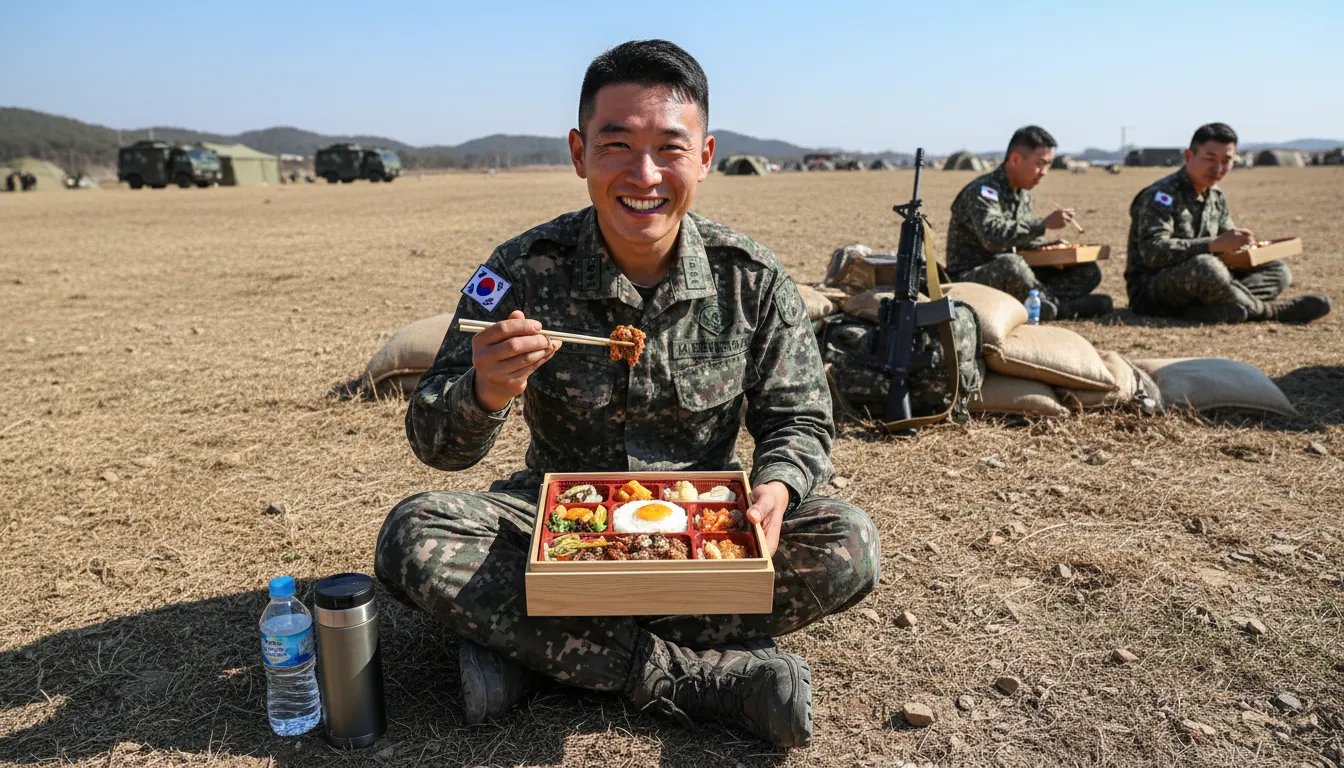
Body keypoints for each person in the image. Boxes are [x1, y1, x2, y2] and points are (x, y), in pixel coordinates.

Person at [373, 40, 879, 749]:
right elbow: (435, 446)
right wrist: (485, 391)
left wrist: (779, 491)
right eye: (617, 145)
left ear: (704, 157)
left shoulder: (752, 279)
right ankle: (690, 678)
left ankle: (545, 654)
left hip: (704, 531)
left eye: (669, 148)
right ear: (581, 153)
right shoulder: (519, 272)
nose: (644, 175)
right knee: (413, 537)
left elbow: (798, 420)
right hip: (555, 525)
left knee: (847, 541)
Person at [1125, 122, 1331, 323]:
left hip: (1205, 281)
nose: (1218, 168)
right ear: (1189, 156)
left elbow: (1228, 243)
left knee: (1277, 270)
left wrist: (1246, 248)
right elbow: (1152, 252)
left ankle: (1207, 311)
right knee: (1206, 266)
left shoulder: (1215, 196)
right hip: (1152, 291)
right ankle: (1269, 311)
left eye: (1226, 160)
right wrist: (1211, 245)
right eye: (1210, 159)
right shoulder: (1161, 196)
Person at [944, 126, 1114, 321]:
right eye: (1040, 164)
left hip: (1018, 272)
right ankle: (1057, 307)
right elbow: (992, 237)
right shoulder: (983, 191)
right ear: (1016, 159)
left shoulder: (1023, 194)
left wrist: (1051, 249)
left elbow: (1021, 242)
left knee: (1087, 270)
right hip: (972, 277)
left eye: (1049, 164)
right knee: (1012, 265)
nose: (1044, 172)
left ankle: (1046, 304)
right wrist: (1042, 224)